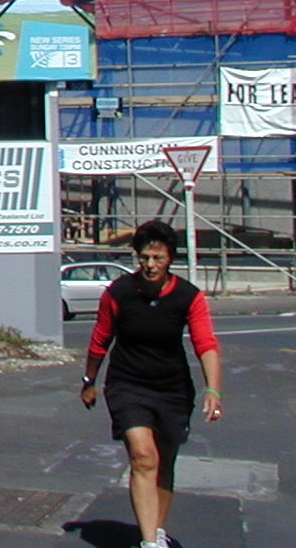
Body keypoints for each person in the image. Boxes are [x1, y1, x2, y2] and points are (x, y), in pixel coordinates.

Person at [79, 219, 223, 548]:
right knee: (144, 457)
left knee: (165, 460)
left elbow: (206, 344)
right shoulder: (119, 293)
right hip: (128, 384)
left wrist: (213, 389)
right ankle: (149, 543)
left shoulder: (189, 296)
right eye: (144, 257)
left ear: (170, 258)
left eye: (158, 258)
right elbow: (100, 339)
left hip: (172, 388)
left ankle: (156, 531)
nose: (150, 265)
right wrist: (89, 380)